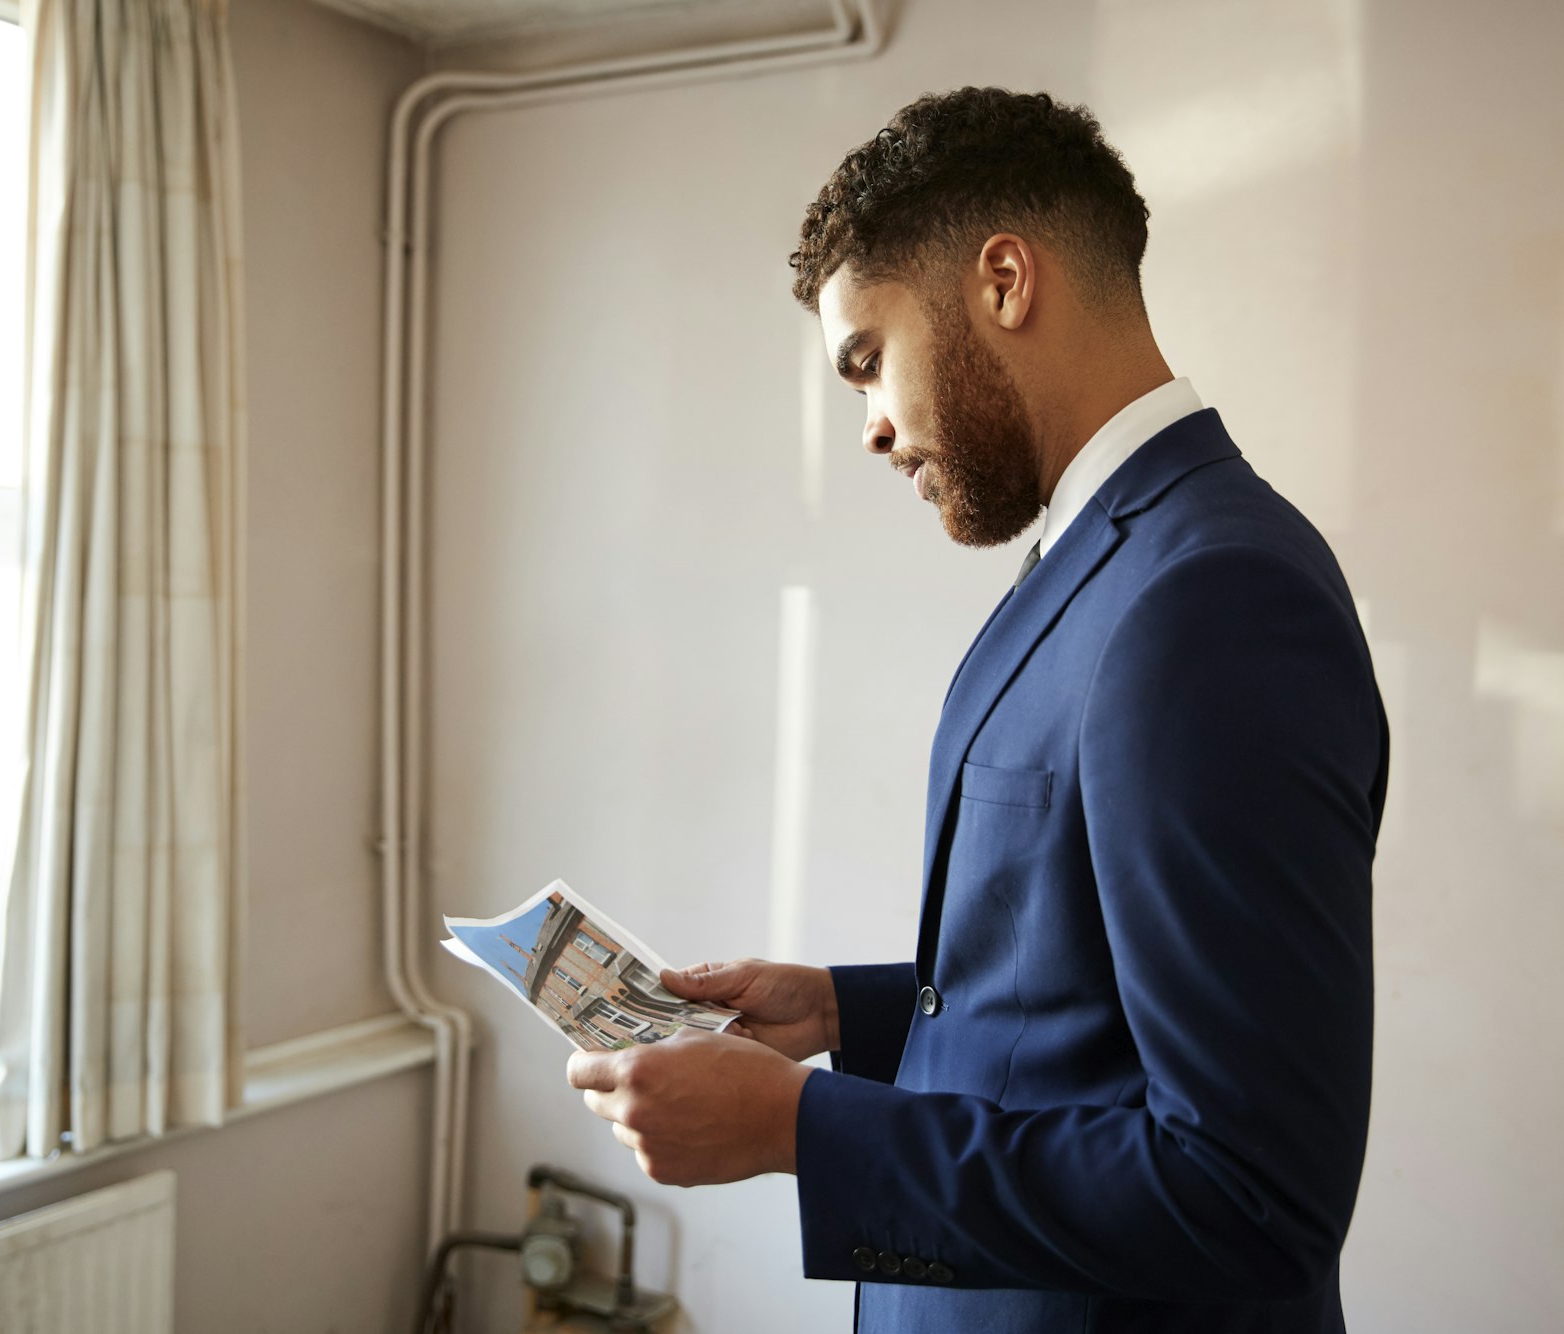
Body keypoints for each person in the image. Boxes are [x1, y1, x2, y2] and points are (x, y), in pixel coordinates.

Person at [567, 86, 1388, 1334]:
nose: (871, 429)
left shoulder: (1209, 596)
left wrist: (799, 1127)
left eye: (867, 360)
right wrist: (849, 1011)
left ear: (1003, 279)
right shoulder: (1104, 560)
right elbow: (1096, 995)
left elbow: (1249, 1188)